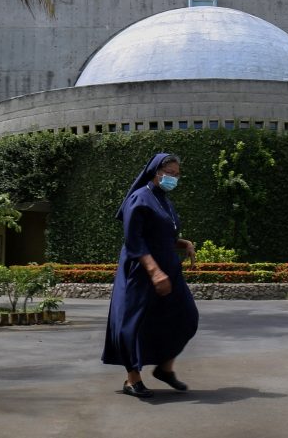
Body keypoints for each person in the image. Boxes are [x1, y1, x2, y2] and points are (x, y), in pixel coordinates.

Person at [102, 153, 199, 398]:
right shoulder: (139, 198)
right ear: (157, 172)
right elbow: (134, 240)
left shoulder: (163, 200)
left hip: (169, 271)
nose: (174, 178)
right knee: (133, 323)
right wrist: (154, 272)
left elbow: (161, 235)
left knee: (187, 316)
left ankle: (165, 369)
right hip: (142, 272)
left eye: (177, 174)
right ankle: (132, 380)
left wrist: (184, 243)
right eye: (170, 173)